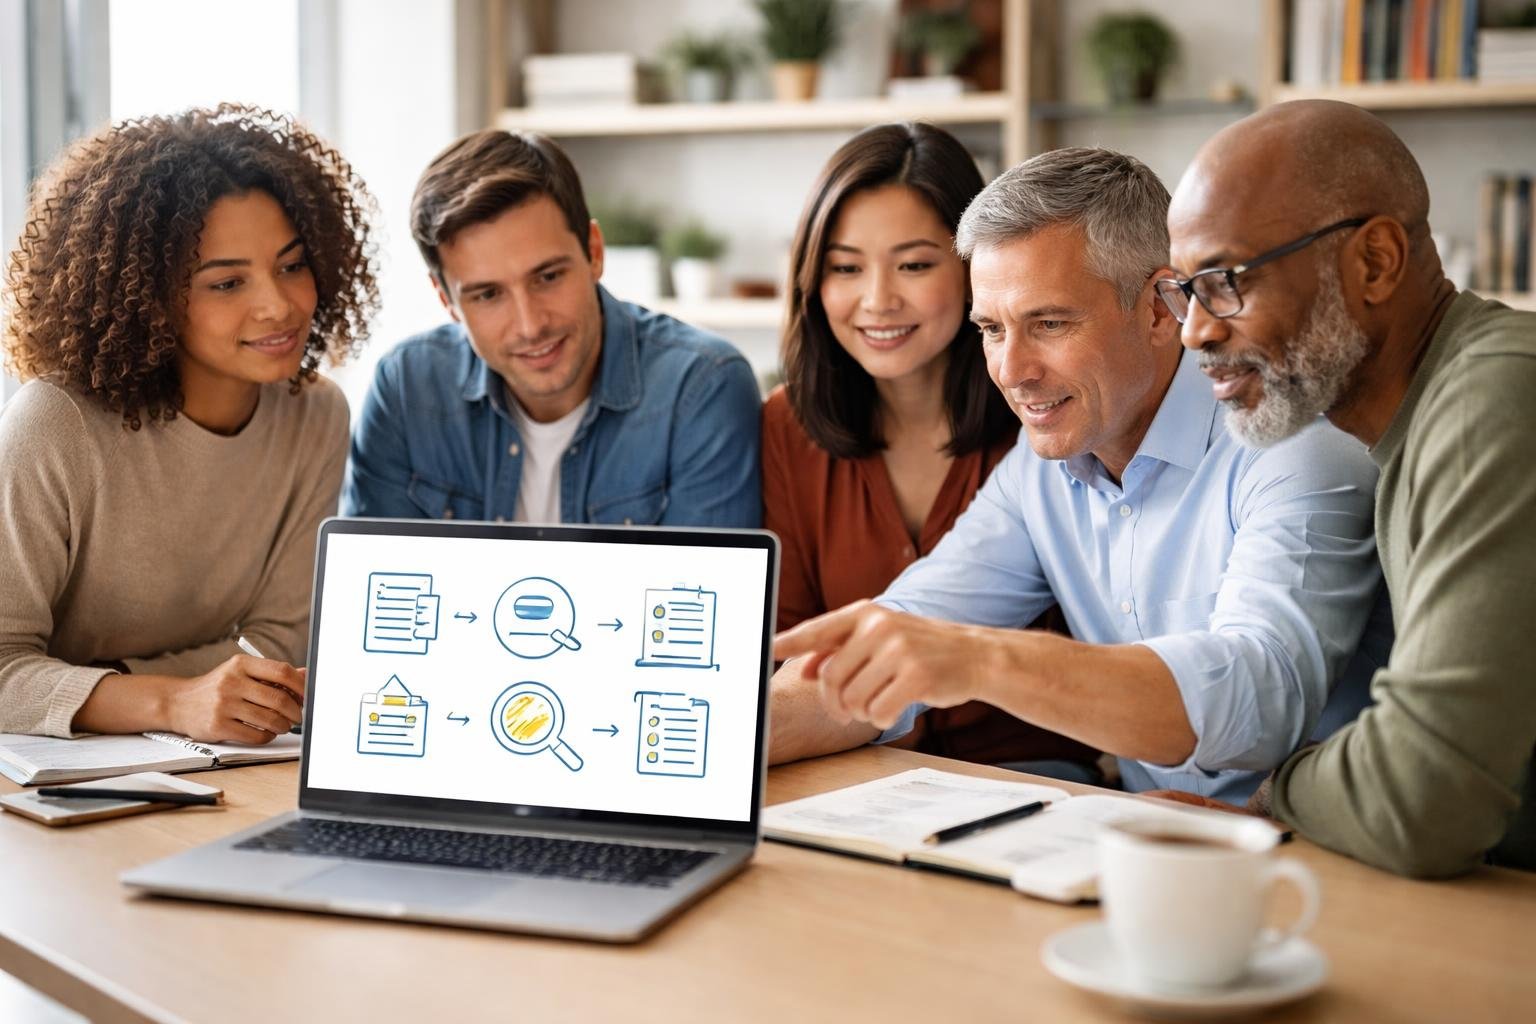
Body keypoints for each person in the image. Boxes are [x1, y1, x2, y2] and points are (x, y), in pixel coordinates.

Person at [771, 147, 1393, 805]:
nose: (1010, 370)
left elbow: (1260, 699)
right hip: (1150, 846)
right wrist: (704, 746)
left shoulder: (1291, 445)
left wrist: (977, 659)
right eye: (991, 328)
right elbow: (898, 639)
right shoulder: (1040, 472)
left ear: (1160, 310)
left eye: (1050, 323)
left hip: (1327, 861)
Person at [1163, 99, 1536, 875]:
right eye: (1184, 290)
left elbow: (1421, 797)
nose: (1195, 329)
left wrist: (1274, 794)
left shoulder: (1490, 402)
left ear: (1374, 262)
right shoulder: (1421, 417)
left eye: (1227, 280)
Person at [0, 104, 380, 742]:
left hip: (206, 763)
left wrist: (143, 692)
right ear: (146, 297)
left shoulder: (315, 414)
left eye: (291, 265)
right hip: (43, 786)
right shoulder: (55, 424)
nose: (279, 305)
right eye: (227, 284)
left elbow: (279, 641)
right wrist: (170, 701)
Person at [764, 122, 1093, 769]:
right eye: (845, 268)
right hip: (841, 769)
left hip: (1031, 776)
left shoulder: (1047, 418)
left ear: (977, 271)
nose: (878, 300)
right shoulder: (787, 426)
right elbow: (787, 648)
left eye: (914, 265)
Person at [343, 129, 760, 527]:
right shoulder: (406, 389)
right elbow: (370, 594)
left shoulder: (701, 388)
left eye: (548, 277)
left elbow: (702, 599)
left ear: (594, 252)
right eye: (488, 295)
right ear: (446, 300)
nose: (530, 326)